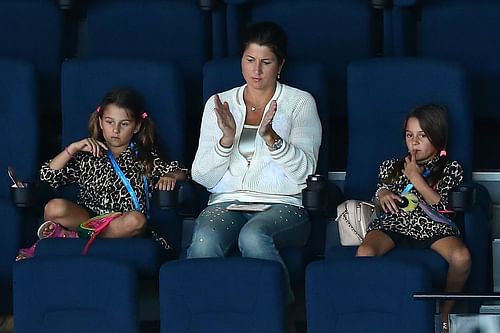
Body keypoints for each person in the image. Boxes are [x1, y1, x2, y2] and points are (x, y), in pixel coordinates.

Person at [186, 20, 321, 312]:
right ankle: (209, 317)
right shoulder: (219, 104)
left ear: (280, 64)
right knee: (204, 240)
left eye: (266, 62)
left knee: (253, 236)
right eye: (249, 60)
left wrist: (273, 139)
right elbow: (201, 176)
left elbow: (306, 174)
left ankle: (278, 318)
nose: (256, 71)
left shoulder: (299, 103)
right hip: (227, 202)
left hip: (283, 204)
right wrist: (226, 140)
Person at [16, 87, 187, 259]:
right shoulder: (87, 154)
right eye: (109, 122)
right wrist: (73, 148)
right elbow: (47, 175)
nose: (115, 130)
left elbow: (183, 172)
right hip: (86, 219)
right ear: (100, 122)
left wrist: (171, 176)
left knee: (137, 221)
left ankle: (74, 239)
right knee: (54, 207)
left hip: (121, 222)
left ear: (137, 126)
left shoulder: (144, 156)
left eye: (124, 124)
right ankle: (86, 238)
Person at [356, 104, 470, 333]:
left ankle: (447, 311)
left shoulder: (451, 169)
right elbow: (379, 201)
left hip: (433, 227)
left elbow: (444, 206)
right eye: (409, 135)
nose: (414, 142)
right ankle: (379, 309)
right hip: (394, 223)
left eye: (422, 135)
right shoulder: (391, 166)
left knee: (461, 257)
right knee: (365, 253)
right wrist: (383, 194)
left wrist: (416, 178)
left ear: (437, 137)